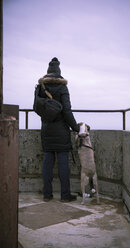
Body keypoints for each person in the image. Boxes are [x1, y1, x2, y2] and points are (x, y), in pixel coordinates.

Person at [37, 57, 79, 202]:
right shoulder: (62, 88)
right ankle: (65, 195)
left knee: (47, 162)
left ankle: (47, 195)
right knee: (63, 163)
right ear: (59, 72)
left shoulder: (41, 87)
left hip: (47, 129)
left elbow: (37, 107)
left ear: (48, 72)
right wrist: (75, 127)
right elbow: (67, 111)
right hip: (61, 130)